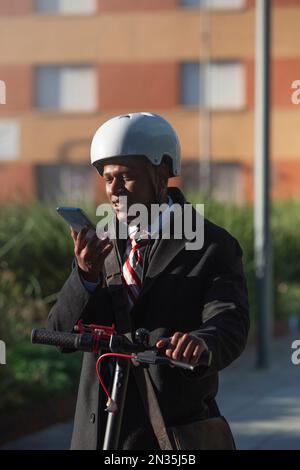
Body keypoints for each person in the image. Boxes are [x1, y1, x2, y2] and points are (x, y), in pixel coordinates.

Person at [48, 112, 250, 450]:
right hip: (98, 434)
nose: (113, 189)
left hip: (170, 436)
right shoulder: (98, 242)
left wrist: (201, 342)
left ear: (160, 176)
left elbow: (230, 321)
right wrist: (85, 277)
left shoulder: (213, 244)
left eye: (125, 176)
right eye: (107, 178)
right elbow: (60, 334)